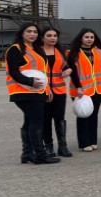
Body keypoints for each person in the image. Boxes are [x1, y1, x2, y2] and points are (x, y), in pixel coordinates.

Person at [5, 23, 60, 164]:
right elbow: (13, 71)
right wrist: (30, 82)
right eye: (29, 31)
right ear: (22, 33)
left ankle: (27, 154)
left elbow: (42, 73)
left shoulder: (36, 50)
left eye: (35, 32)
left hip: (37, 91)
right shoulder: (15, 49)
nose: (32, 34)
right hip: (23, 92)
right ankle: (40, 155)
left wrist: (47, 90)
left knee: (29, 122)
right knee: (37, 122)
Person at [67, 28, 101, 151]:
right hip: (81, 90)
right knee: (83, 115)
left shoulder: (99, 52)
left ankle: (92, 140)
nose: (89, 39)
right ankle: (84, 142)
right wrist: (79, 87)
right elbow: (73, 72)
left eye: (91, 37)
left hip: (97, 89)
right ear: (81, 38)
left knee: (94, 115)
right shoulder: (73, 53)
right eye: (87, 37)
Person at [41, 27, 72, 157]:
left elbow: (66, 66)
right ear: (42, 38)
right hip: (43, 91)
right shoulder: (37, 52)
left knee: (59, 119)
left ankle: (62, 145)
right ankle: (48, 146)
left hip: (59, 91)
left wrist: (69, 70)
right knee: (45, 120)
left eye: (54, 35)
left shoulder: (59, 51)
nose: (53, 38)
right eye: (49, 35)